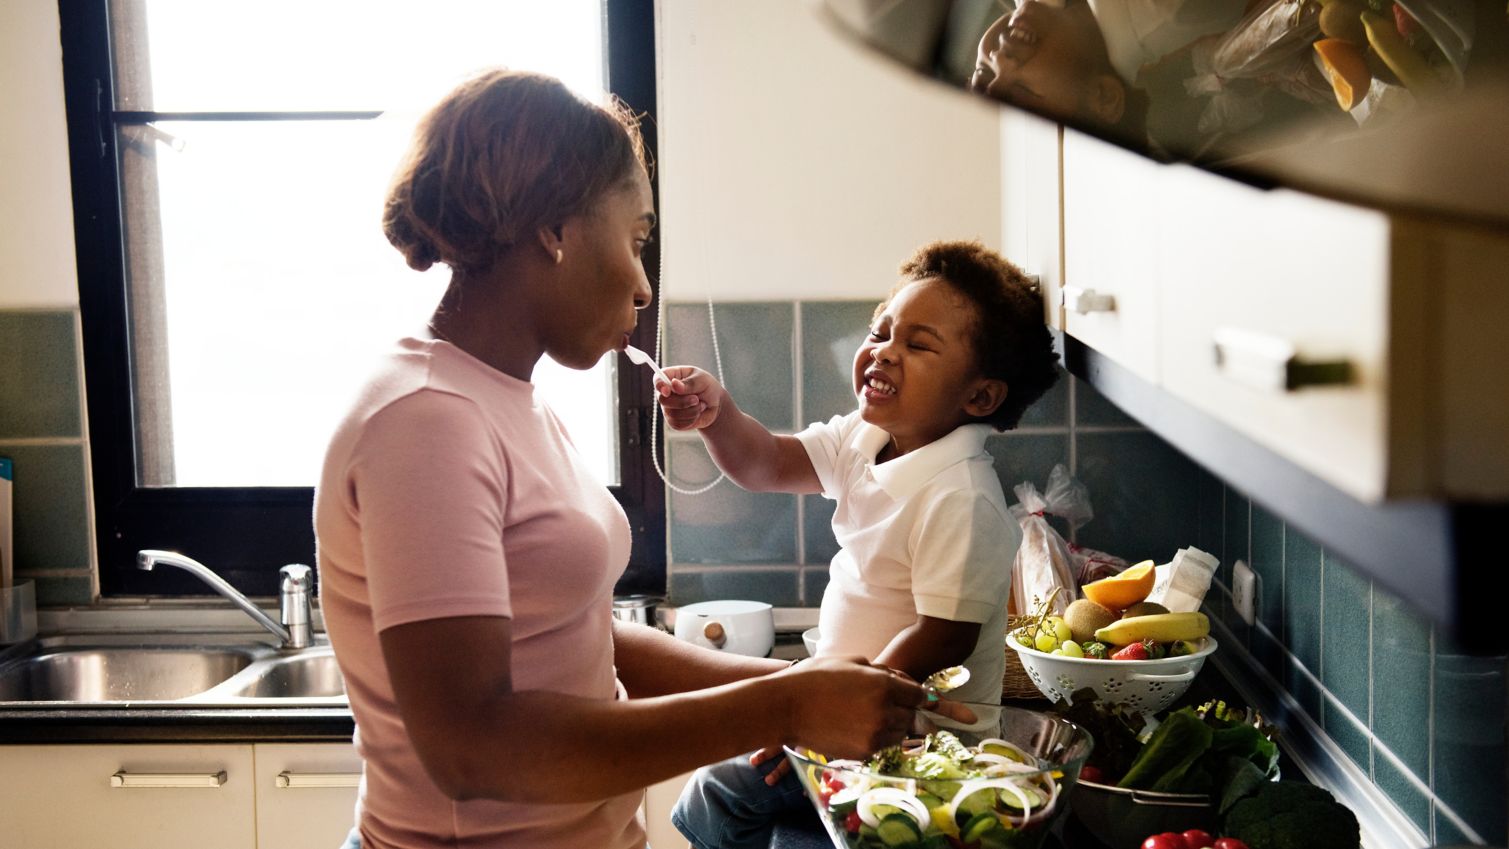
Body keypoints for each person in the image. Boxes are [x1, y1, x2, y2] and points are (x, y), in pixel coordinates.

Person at [313, 68, 967, 849]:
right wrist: (785, 709)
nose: (643, 284)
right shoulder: (424, 419)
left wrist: (803, 687)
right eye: (636, 239)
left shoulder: (502, 397)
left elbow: (582, 635)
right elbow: (472, 745)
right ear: (555, 230)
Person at [662, 240, 1062, 849]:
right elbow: (769, 462)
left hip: (914, 739)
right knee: (754, 801)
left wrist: (826, 705)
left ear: (979, 397)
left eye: (918, 344)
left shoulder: (962, 496)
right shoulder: (865, 435)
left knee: (722, 787)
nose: (884, 353)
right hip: (844, 711)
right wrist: (718, 415)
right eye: (881, 332)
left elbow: (944, 636)